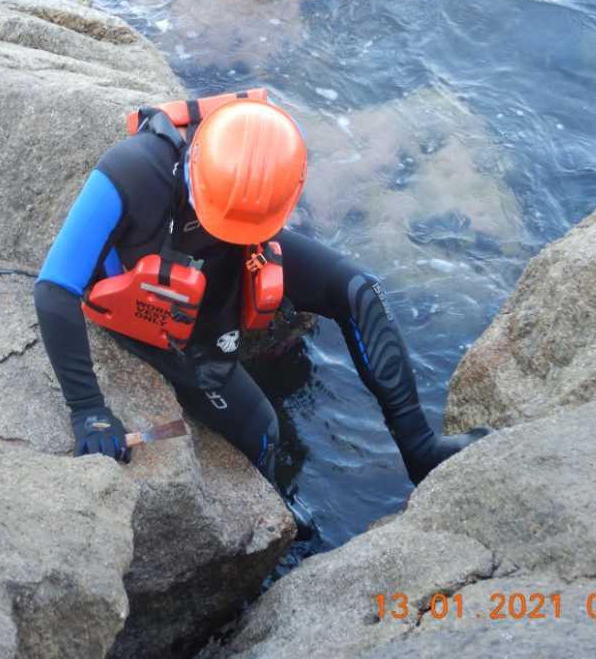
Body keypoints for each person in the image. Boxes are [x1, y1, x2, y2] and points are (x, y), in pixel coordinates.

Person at [34, 91, 492, 492]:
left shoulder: (268, 152)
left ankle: (421, 450)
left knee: (359, 291)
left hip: (234, 255)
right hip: (153, 299)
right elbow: (55, 287)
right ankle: (277, 509)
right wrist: (88, 409)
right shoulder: (132, 171)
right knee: (264, 431)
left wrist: (248, 239)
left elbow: (291, 248)